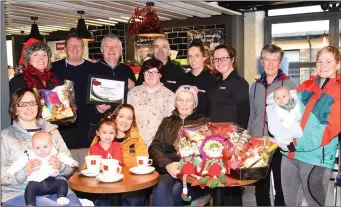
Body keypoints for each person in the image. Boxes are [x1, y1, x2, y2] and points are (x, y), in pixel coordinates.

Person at [1, 88, 81, 206]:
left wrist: (61, 166)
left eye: (33, 103)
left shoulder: (51, 131)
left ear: (38, 106)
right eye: (23, 104)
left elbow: (70, 166)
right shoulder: (5, 136)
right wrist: (23, 172)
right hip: (19, 193)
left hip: (56, 189)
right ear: (15, 109)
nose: (29, 107)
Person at [282, 46, 340, 206]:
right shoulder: (308, 85)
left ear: (338, 64)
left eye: (329, 61)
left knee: (314, 204)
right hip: (290, 156)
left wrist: (294, 144)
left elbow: (327, 129)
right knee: (290, 204)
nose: (323, 65)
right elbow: (288, 111)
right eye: (320, 61)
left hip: (315, 159)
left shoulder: (338, 92)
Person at [247, 44, 296, 206]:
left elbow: (295, 114)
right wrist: (249, 138)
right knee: (260, 187)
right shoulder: (254, 86)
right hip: (258, 144)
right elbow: (253, 114)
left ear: (280, 62)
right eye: (267, 59)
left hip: (279, 144)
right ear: (262, 61)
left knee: (281, 186)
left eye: (274, 60)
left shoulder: (289, 85)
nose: (270, 64)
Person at [149, 85, 209, 206]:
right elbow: (154, 146)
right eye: (180, 100)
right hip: (168, 170)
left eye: (189, 100)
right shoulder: (167, 121)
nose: (184, 104)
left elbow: (208, 150)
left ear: (195, 103)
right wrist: (168, 164)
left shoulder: (203, 122)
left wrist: (187, 164)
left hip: (192, 173)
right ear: (176, 103)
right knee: (160, 188)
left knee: (178, 191)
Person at [207, 44, 250, 206]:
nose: (219, 61)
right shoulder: (218, 81)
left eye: (223, 58)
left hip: (232, 143)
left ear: (232, 59)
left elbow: (244, 114)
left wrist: (239, 142)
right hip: (215, 142)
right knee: (220, 186)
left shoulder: (239, 83)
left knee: (232, 188)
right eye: (216, 58)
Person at [89, 104, 149, 206]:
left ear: (132, 122)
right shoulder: (100, 138)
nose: (125, 121)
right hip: (104, 185)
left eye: (129, 118)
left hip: (131, 187)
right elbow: (90, 163)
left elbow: (143, 164)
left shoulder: (137, 140)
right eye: (121, 116)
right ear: (114, 117)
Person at [52, 33, 97, 166]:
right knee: (65, 165)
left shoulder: (94, 68)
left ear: (83, 49)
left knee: (88, 165)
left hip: (88, 126)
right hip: (62, 127)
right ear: (64, 49)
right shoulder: (54, 68)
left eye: (78, 46)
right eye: (71, 46)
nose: (74, 49)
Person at [5, 131, 79, 206]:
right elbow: (18, 163)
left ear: (52, 145)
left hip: (51, 182)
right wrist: (10, 171)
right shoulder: (29, 155)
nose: (42, 150)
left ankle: (61, 197)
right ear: (33, 147)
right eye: (38, 148)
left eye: (45, 147)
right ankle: (30, 203)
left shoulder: (54, 153)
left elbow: (64, 157)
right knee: (30, 188)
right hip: (36, 183)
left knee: (63, 183)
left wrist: (71, 162)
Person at [92, 34, 137, 138]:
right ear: (102, 50)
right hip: (101, 125)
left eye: (115, 47)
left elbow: (135, 96)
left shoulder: (127, 70)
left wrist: (134, 86)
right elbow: (85, 98)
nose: (111, 49)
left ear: (121, 51)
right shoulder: (92, 69)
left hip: (124, 126)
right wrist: (96, 108)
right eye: (107, 46)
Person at [127, 58, 175, 147]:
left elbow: (172, 124)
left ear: (160, 75)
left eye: (155, 72)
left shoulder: (170, 96)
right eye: (147, 72)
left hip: (160, 146)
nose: (150, 75)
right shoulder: (132, 94)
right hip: (135, 143)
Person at [181, 40, 217, 116]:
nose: (193, 59)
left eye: (196, 55)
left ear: (204, 57)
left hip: (205, 124)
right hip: (187, 122)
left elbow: (214, 108)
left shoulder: (212, 80)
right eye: (190, 56)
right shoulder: (182, 79)